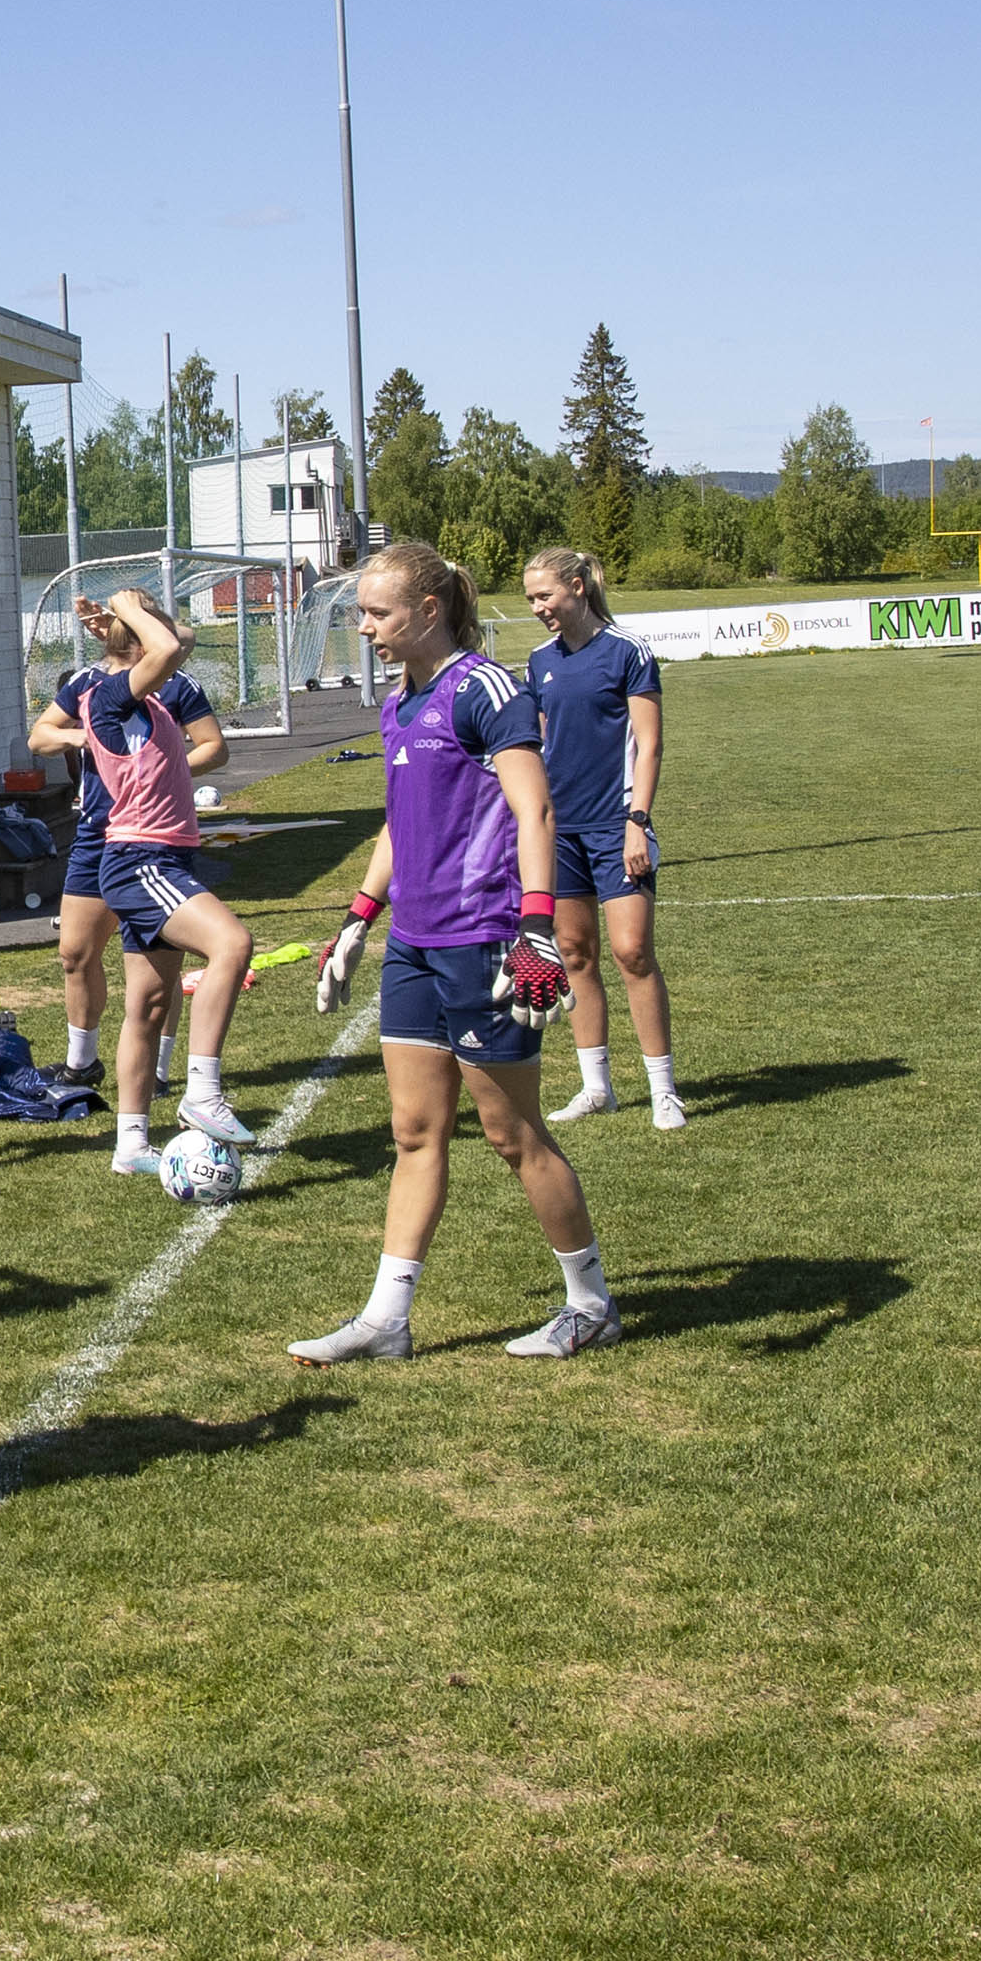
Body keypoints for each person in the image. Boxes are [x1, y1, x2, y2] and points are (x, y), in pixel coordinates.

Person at [294, 542, 617, 1364]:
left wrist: (537, 928)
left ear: (429, 611)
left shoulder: (484, 691)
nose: (363, 627)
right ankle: (386, 1320)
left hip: (484, 942)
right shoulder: (399, 703)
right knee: (413, 1130)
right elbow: (401, 826)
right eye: (362, 612)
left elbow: (534, 811)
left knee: (514, 1135)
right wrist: (360, 918)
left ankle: (590, 1304)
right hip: (415, 945)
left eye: (377, 613)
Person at [59, 588, 251, 1175]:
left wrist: (124, 618)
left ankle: (131, 1144)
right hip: (142, 858)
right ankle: (202, 1090)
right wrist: (126, 610)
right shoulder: (108, 693)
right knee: (232, 944)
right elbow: (168, 643)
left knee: (147, 1003)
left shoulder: (156, 687)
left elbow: (177, 641)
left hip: (165, 854)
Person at [522, 548, 681, 1131]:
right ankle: (597, 1087)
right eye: (532, 599)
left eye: (546, 596)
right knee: (575, 955)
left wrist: (638, 820)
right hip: (560, 831)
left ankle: (663, 1090)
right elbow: (534, 749)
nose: (539, 608)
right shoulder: (539, 663)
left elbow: (651, 744)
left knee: (632, 951)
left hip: (617, 825)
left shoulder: (628, 652)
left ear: (578, 588)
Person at [31, 600, 215, 1099]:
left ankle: (156, 1068)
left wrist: (165, 772)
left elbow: (213, 746)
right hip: (96, 833)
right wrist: (81, 736)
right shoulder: (91, 682)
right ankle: (81, 1062)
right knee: (74, 952)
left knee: (158, 958)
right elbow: (40, 736)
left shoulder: (175, 681)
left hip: (152, 836)